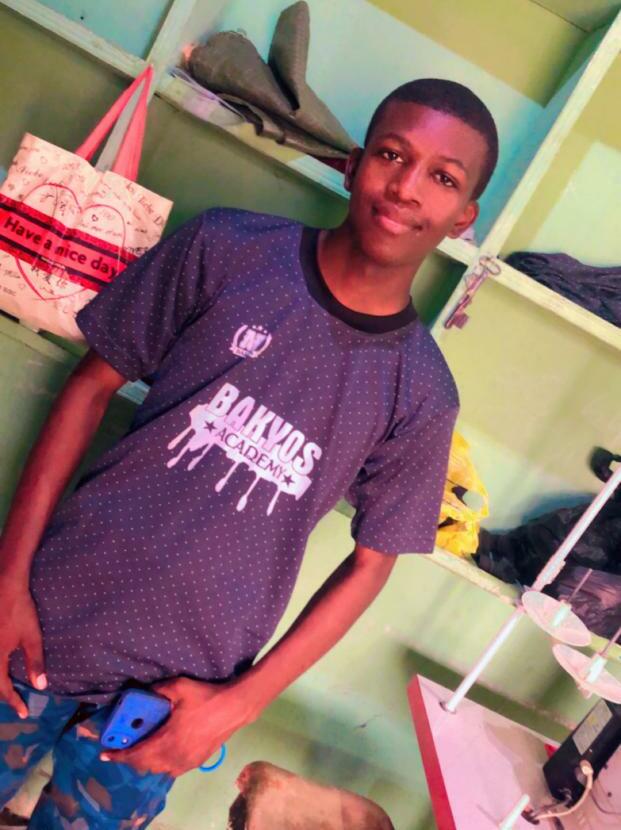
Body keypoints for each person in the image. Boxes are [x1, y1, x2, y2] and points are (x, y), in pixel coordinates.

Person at [0, 78, 498, 828]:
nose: (405, 187)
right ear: (352, 165)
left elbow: (371, 566)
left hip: (174, 702)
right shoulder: (227, 249)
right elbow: (91, 386)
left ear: (463, 217)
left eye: (442, 177)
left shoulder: (422, 393)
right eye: (392, 156)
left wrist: (235, 707)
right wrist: (8, 580)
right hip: (42, 617)